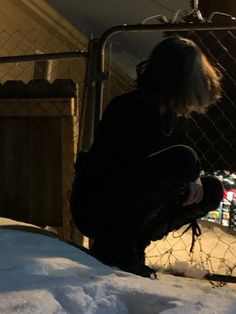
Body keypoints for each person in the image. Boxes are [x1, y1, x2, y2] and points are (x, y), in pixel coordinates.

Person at [70, 36, 224, 278]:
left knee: (212, 189)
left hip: (132, 206)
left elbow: (175, 163)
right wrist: (185, 167)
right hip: (99, 208)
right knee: (184, 160)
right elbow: (117, 174)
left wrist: (195, 178)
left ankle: (136, 242)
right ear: (174, 79)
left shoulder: (174, 118)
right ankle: (115, 246)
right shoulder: (126, 109)